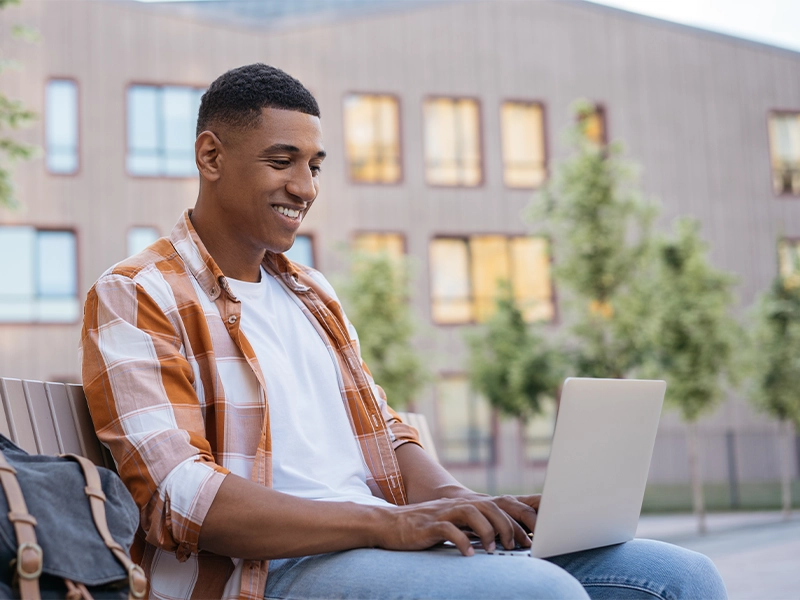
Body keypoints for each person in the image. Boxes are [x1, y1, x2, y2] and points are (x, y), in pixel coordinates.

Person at [81, 63, 727, 600]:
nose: (304, 187)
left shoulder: (311, 292)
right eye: (283, 161)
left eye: (315, 165)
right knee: (541, 594)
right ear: (211, 155)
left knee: (678, 577)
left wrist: (466, 506)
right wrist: (389, 525)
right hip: (268, 573)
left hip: (372, 541)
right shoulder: (139, 294)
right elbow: (181, 498)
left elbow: (386, 434)